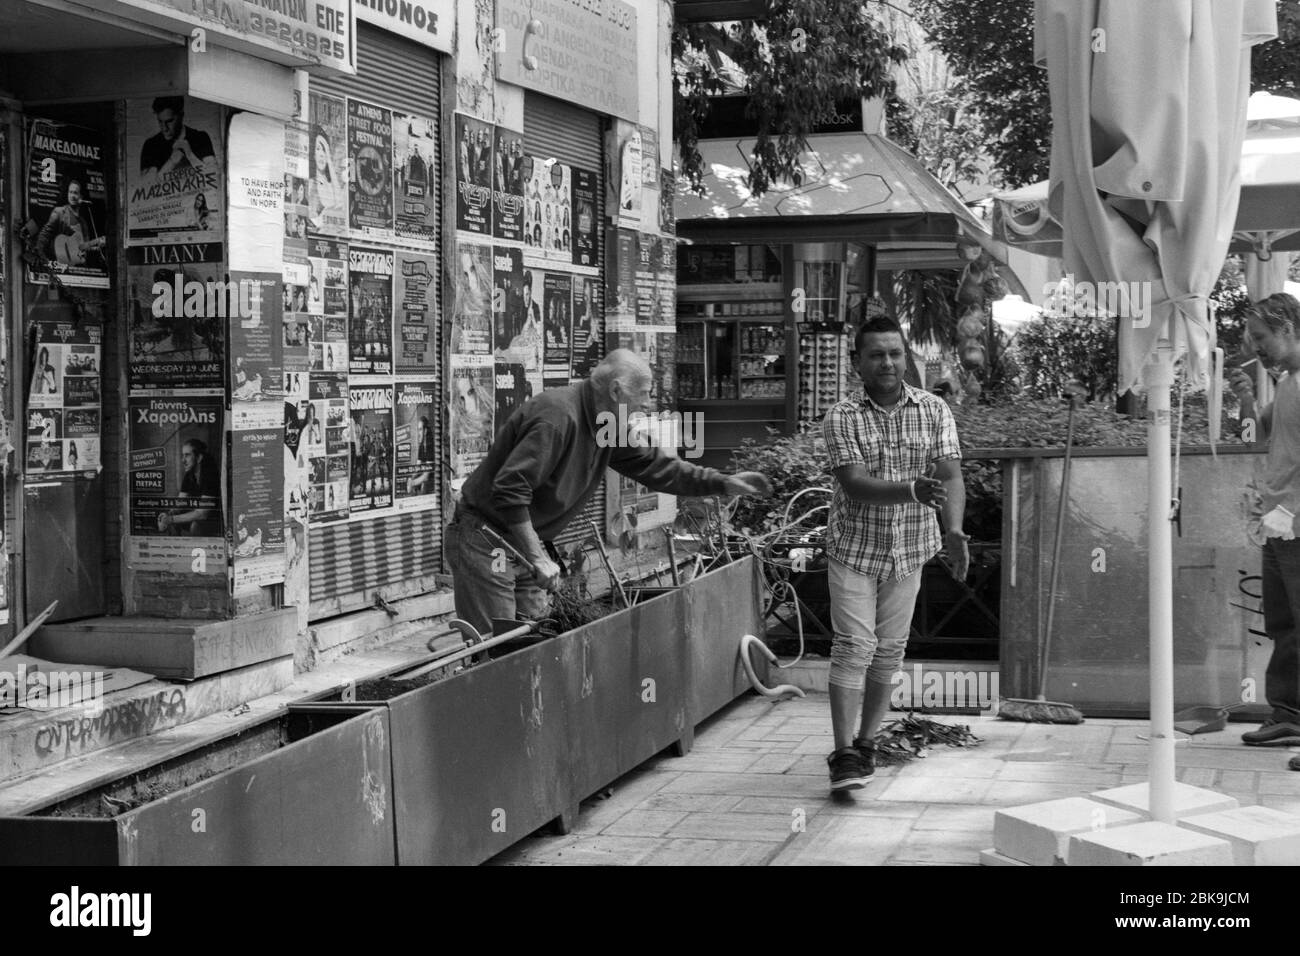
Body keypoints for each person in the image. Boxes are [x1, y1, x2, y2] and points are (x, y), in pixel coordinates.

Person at [445, 349, 773, 634]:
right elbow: (510, 489)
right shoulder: (558, 417)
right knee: (497, 649)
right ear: (617, 391)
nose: (647, 404)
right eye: (643, 395)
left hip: (524, 543)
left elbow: (658, 467)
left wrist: (722, 482)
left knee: (533, 642)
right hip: (487, 539)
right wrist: (535, 556)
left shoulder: (607, 426)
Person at [821, 316, 968, 791]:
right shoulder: (842, 416)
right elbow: (855, 484)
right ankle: (842, 753)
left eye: (895, 353)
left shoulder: (933, 410)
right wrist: (911, 490)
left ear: (906, 357)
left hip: (910, 549)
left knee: (889, 651)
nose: (888, 362)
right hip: (854, 549)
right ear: (857, 363)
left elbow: (949, 476)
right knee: (853, 647)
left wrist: (956, 531)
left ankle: (866, 744)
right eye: (877, 355)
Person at [1229, 292, 1300, 752]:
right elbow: (1257, 431)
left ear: (1288, 328)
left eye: (1261, 337)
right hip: (1277, 520)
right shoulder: (1288, 380)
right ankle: (1289, 715)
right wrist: (1246, 397)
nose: (1256, 346)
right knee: (1283, 622)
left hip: (1293, 519)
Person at [139, 96, 215, 177]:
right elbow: (147, 184)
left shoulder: (200, 138)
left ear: (181, 115)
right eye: (160, 122)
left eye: (169, 121)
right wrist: (172, 161)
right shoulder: (150, 145)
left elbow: (214, 175)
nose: (164, 128)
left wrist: (190, 155)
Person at [158, 438, 220, 536]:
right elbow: (180, 503)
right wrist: (168, 514)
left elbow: (202, 514)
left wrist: (171, 519)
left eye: (187, 455)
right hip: (199, 516)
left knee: (195, 525)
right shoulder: (189, 474)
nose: (183, 460)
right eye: (183, 455)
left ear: (199, 458)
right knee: (174, 520)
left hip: (216, 520)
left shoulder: (210, 475)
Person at [37, 179, 103, 266]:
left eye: (75, 193)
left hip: (76, 266)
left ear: (81, 197)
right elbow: (44, 235)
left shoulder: (83, 223)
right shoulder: (59, 212)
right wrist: (43, 259)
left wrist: (96, 247)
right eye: (70, 192)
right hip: (59, 264)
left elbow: (82, 247)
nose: (72, 196)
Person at [310, 129, 343, 227]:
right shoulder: (312, 184)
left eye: (324, 150)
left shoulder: (332, 184)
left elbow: (340, 204)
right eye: (318, 148)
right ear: (313, 154)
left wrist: (329, 159)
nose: (321, 154)